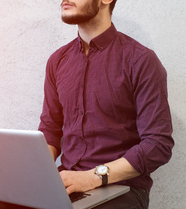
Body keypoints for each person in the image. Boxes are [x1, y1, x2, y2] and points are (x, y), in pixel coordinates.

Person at [38, 0, 175, 208]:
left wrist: (91, 177)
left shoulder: (141, 60)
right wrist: (38, 178)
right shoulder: (57, 61)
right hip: (67, 185)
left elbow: (158, 145)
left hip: (121, 190)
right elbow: (50, 129)